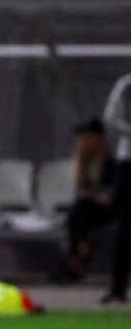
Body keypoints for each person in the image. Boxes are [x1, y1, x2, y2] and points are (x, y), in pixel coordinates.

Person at [51, 119, 114, 284]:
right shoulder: (84, 162)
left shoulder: (109, 162)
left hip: (109, 210)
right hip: (90, 209)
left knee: (78, 214)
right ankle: (79, 255)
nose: (85, 140)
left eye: (89, 136)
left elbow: (111, 193)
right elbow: (84, 189)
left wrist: (100, 195)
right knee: (77, 214)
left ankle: (75, 261)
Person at [103, 73, 131, 303]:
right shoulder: (126, 84)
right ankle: (118, 288)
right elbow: (110, 118)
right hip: (128, 163)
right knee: (123, 226)